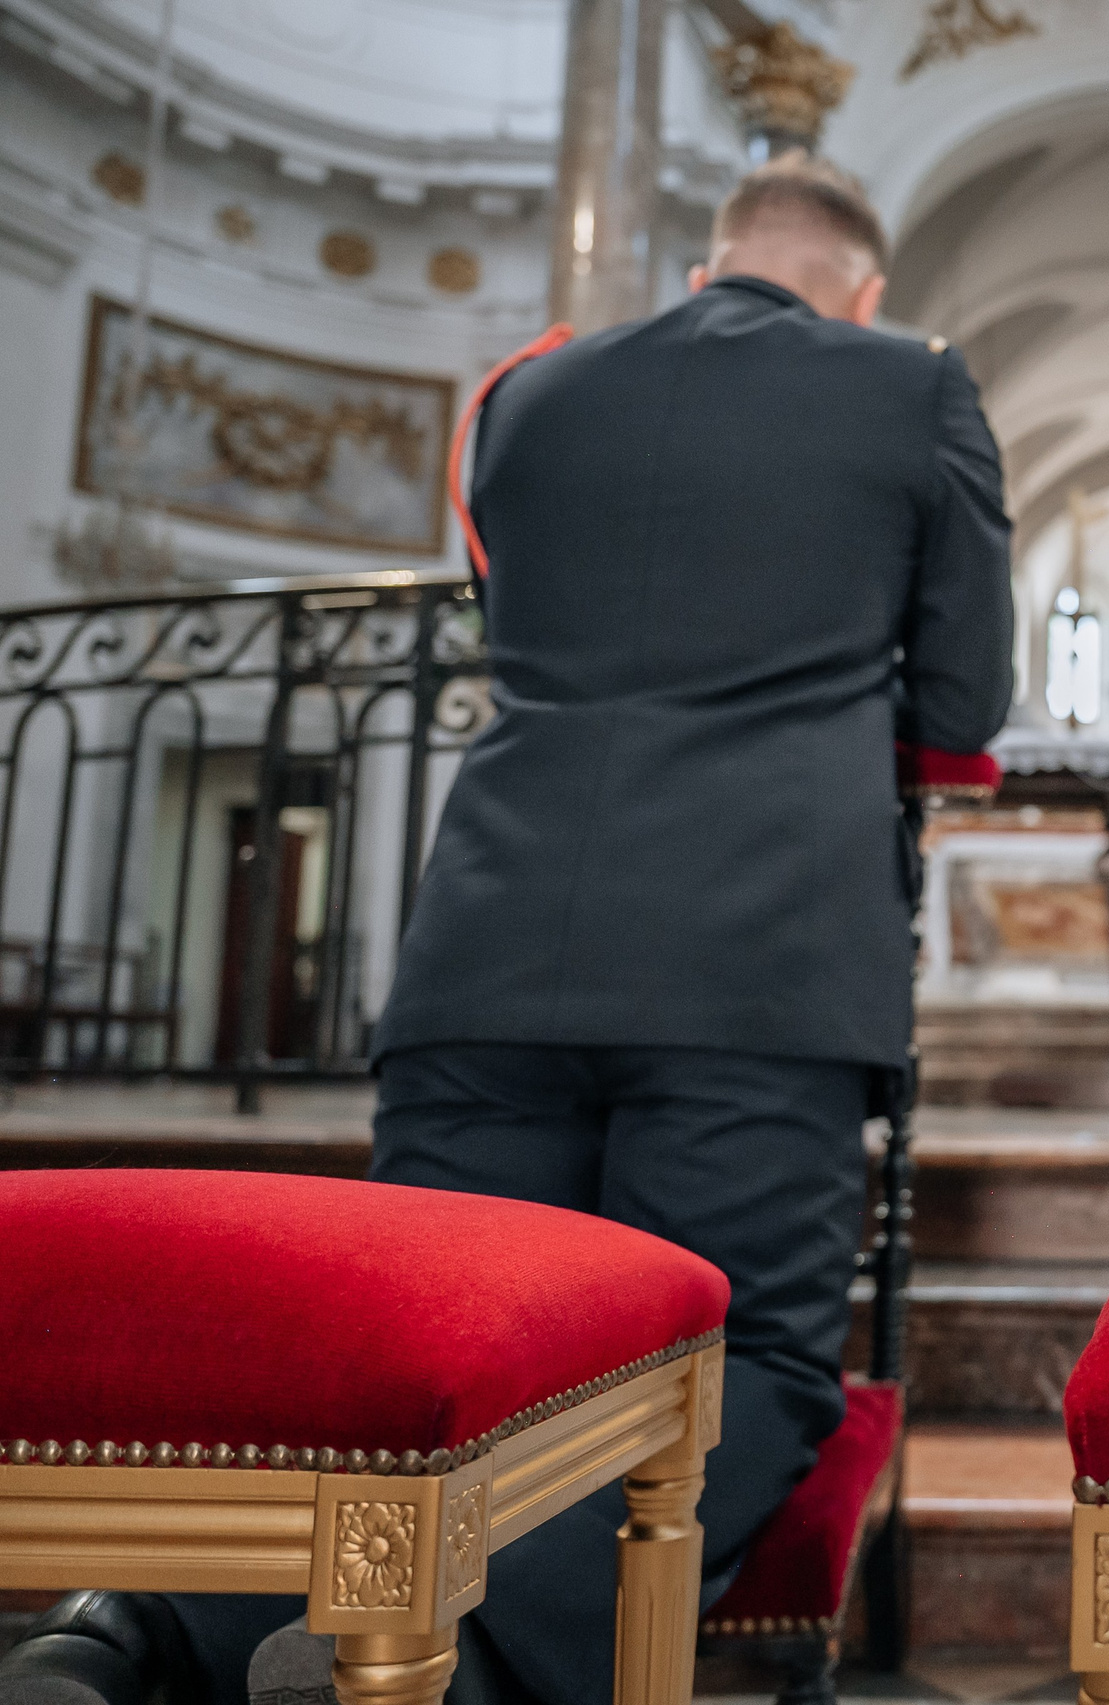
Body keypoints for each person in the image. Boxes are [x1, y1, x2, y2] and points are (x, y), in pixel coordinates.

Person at [0, 155, 1015, 1705]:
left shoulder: (527, 397)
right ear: (863, 292)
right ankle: (455, 1656)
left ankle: (121, 1631)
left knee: (416, 1362)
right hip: (757, 966)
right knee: (745, 1370)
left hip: (488, 941)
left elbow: (511, 617)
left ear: (700, 270)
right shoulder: (914, 388)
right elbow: (961, 701)